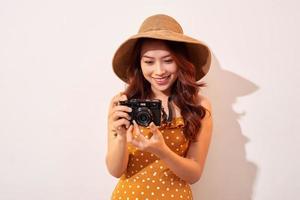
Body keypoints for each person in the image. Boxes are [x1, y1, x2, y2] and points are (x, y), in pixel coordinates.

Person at [106, 14, 213, 199]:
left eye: (168, 60)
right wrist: (121, 136)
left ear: (181, 61)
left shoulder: (198, 105)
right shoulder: (122, 102)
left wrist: (162, 151)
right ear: (139, 63)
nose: (159, 71)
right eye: (149, 61)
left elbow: (194, 174)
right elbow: (116, 171)